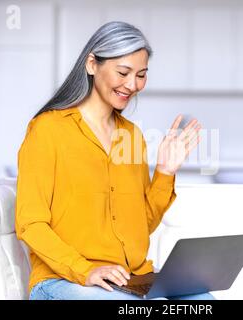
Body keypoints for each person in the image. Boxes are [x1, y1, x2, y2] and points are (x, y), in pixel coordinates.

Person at [15, 21, 214, 300]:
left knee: (202, 301)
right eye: (123, 72)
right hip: (64, 280)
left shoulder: (131, 136)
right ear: (92, 64)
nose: (132, 85)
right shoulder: (47, 130)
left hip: (131, 277)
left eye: (141, 75)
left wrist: (166, 172)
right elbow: (30, 223)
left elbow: (139, 225)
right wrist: (85, 270)